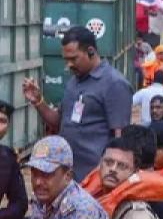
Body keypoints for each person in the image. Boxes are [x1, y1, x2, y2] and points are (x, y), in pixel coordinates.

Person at [22, 27, 133, 181]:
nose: (68, 65)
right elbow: (58, 121)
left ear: (91, 51)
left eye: (73, 59)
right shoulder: (74, 81)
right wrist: (38, 101)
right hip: (68, 175)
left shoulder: (114, 84)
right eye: (66, 60)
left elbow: (121, 137)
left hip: (94, 179)